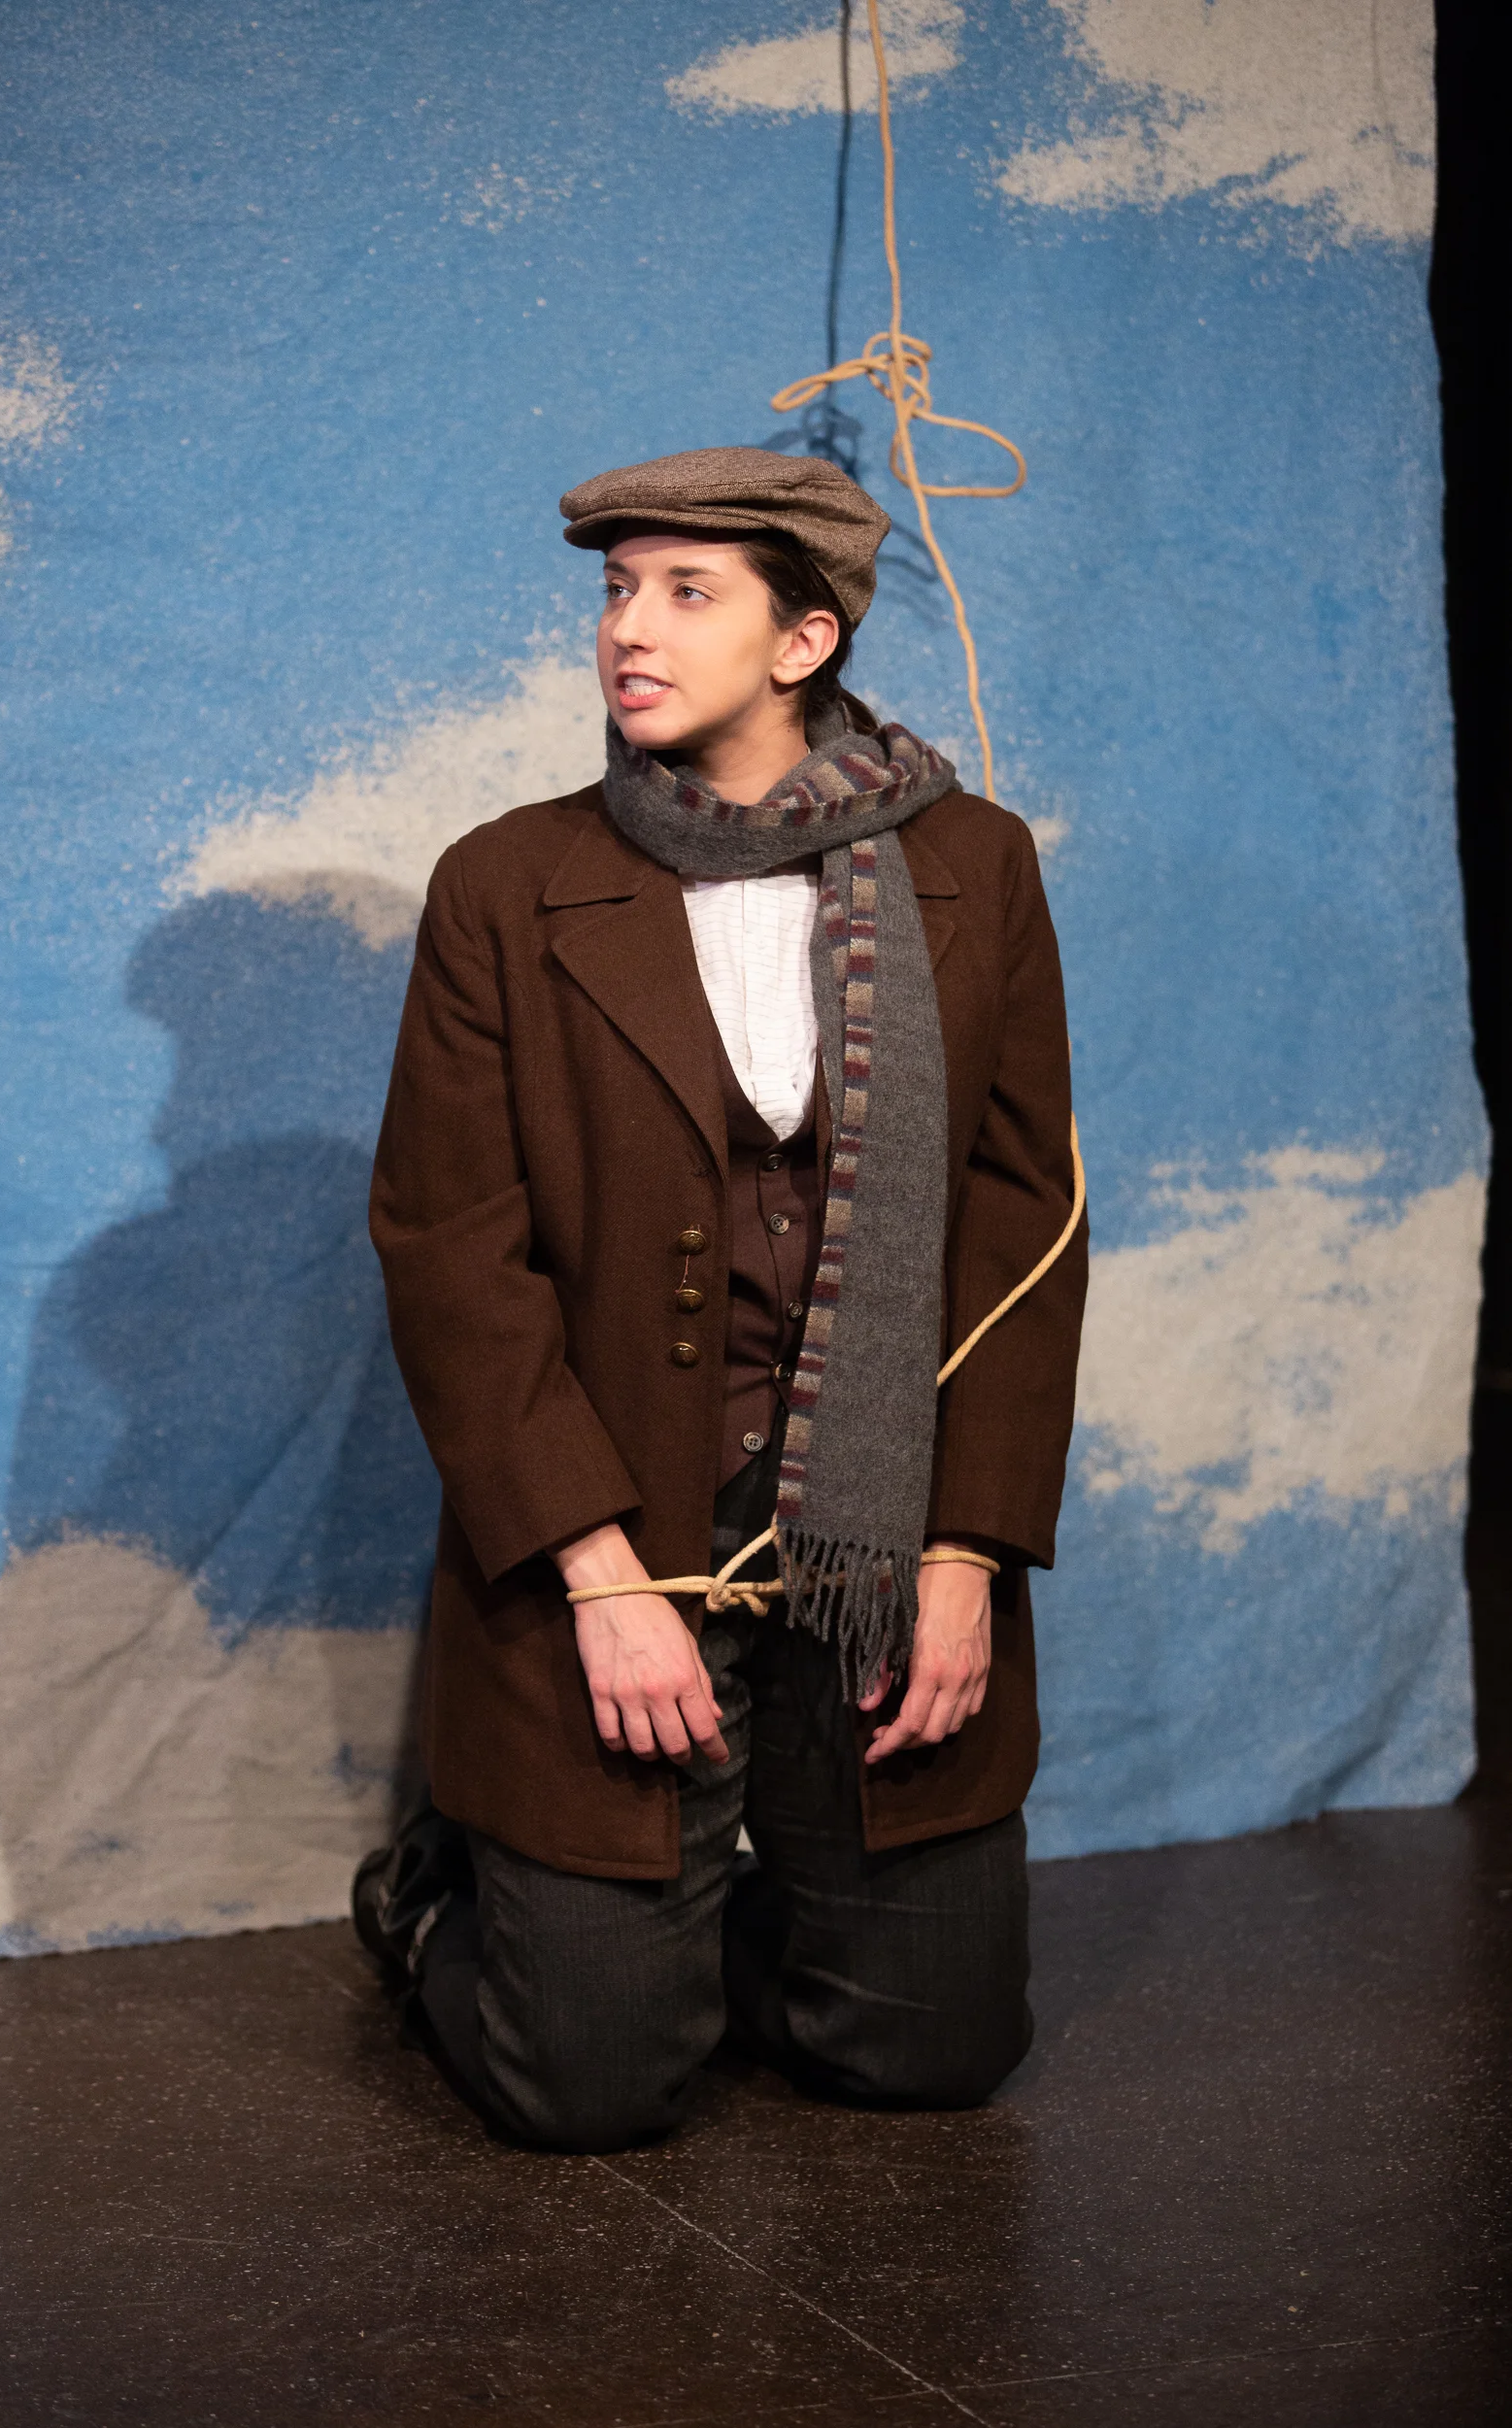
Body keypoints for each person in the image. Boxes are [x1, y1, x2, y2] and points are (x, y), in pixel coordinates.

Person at [357, 446, 1086, 2151]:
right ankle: (450, 1905)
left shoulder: (976, 865)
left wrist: (965, 1556)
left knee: (934, 2050)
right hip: (619, 1526)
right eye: (618, 589)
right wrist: (598, 1575)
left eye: (688, 592)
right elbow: (450, 1248)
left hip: (876, 1527)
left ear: (802, 640)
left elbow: (1022, 1224)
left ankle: (712, 1930)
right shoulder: (506, 881)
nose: (629, 627)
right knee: (589, 2090)